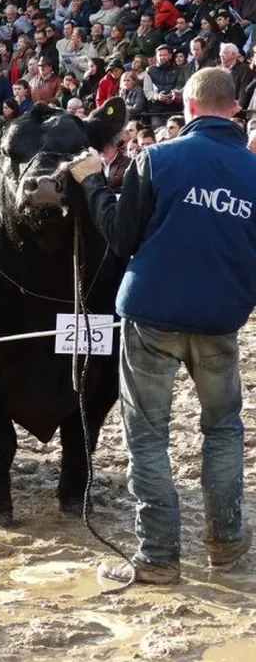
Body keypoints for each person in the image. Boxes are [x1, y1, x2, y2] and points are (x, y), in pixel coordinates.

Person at [68, 68, 255, 585]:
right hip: (219, 320)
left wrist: (91, 184)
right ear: (235, 109)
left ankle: (158, 557)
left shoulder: (158, 157)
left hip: (152, 314)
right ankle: (224, 540)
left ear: (189, 108)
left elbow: (120, 237)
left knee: (147, 437)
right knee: (223, 430)